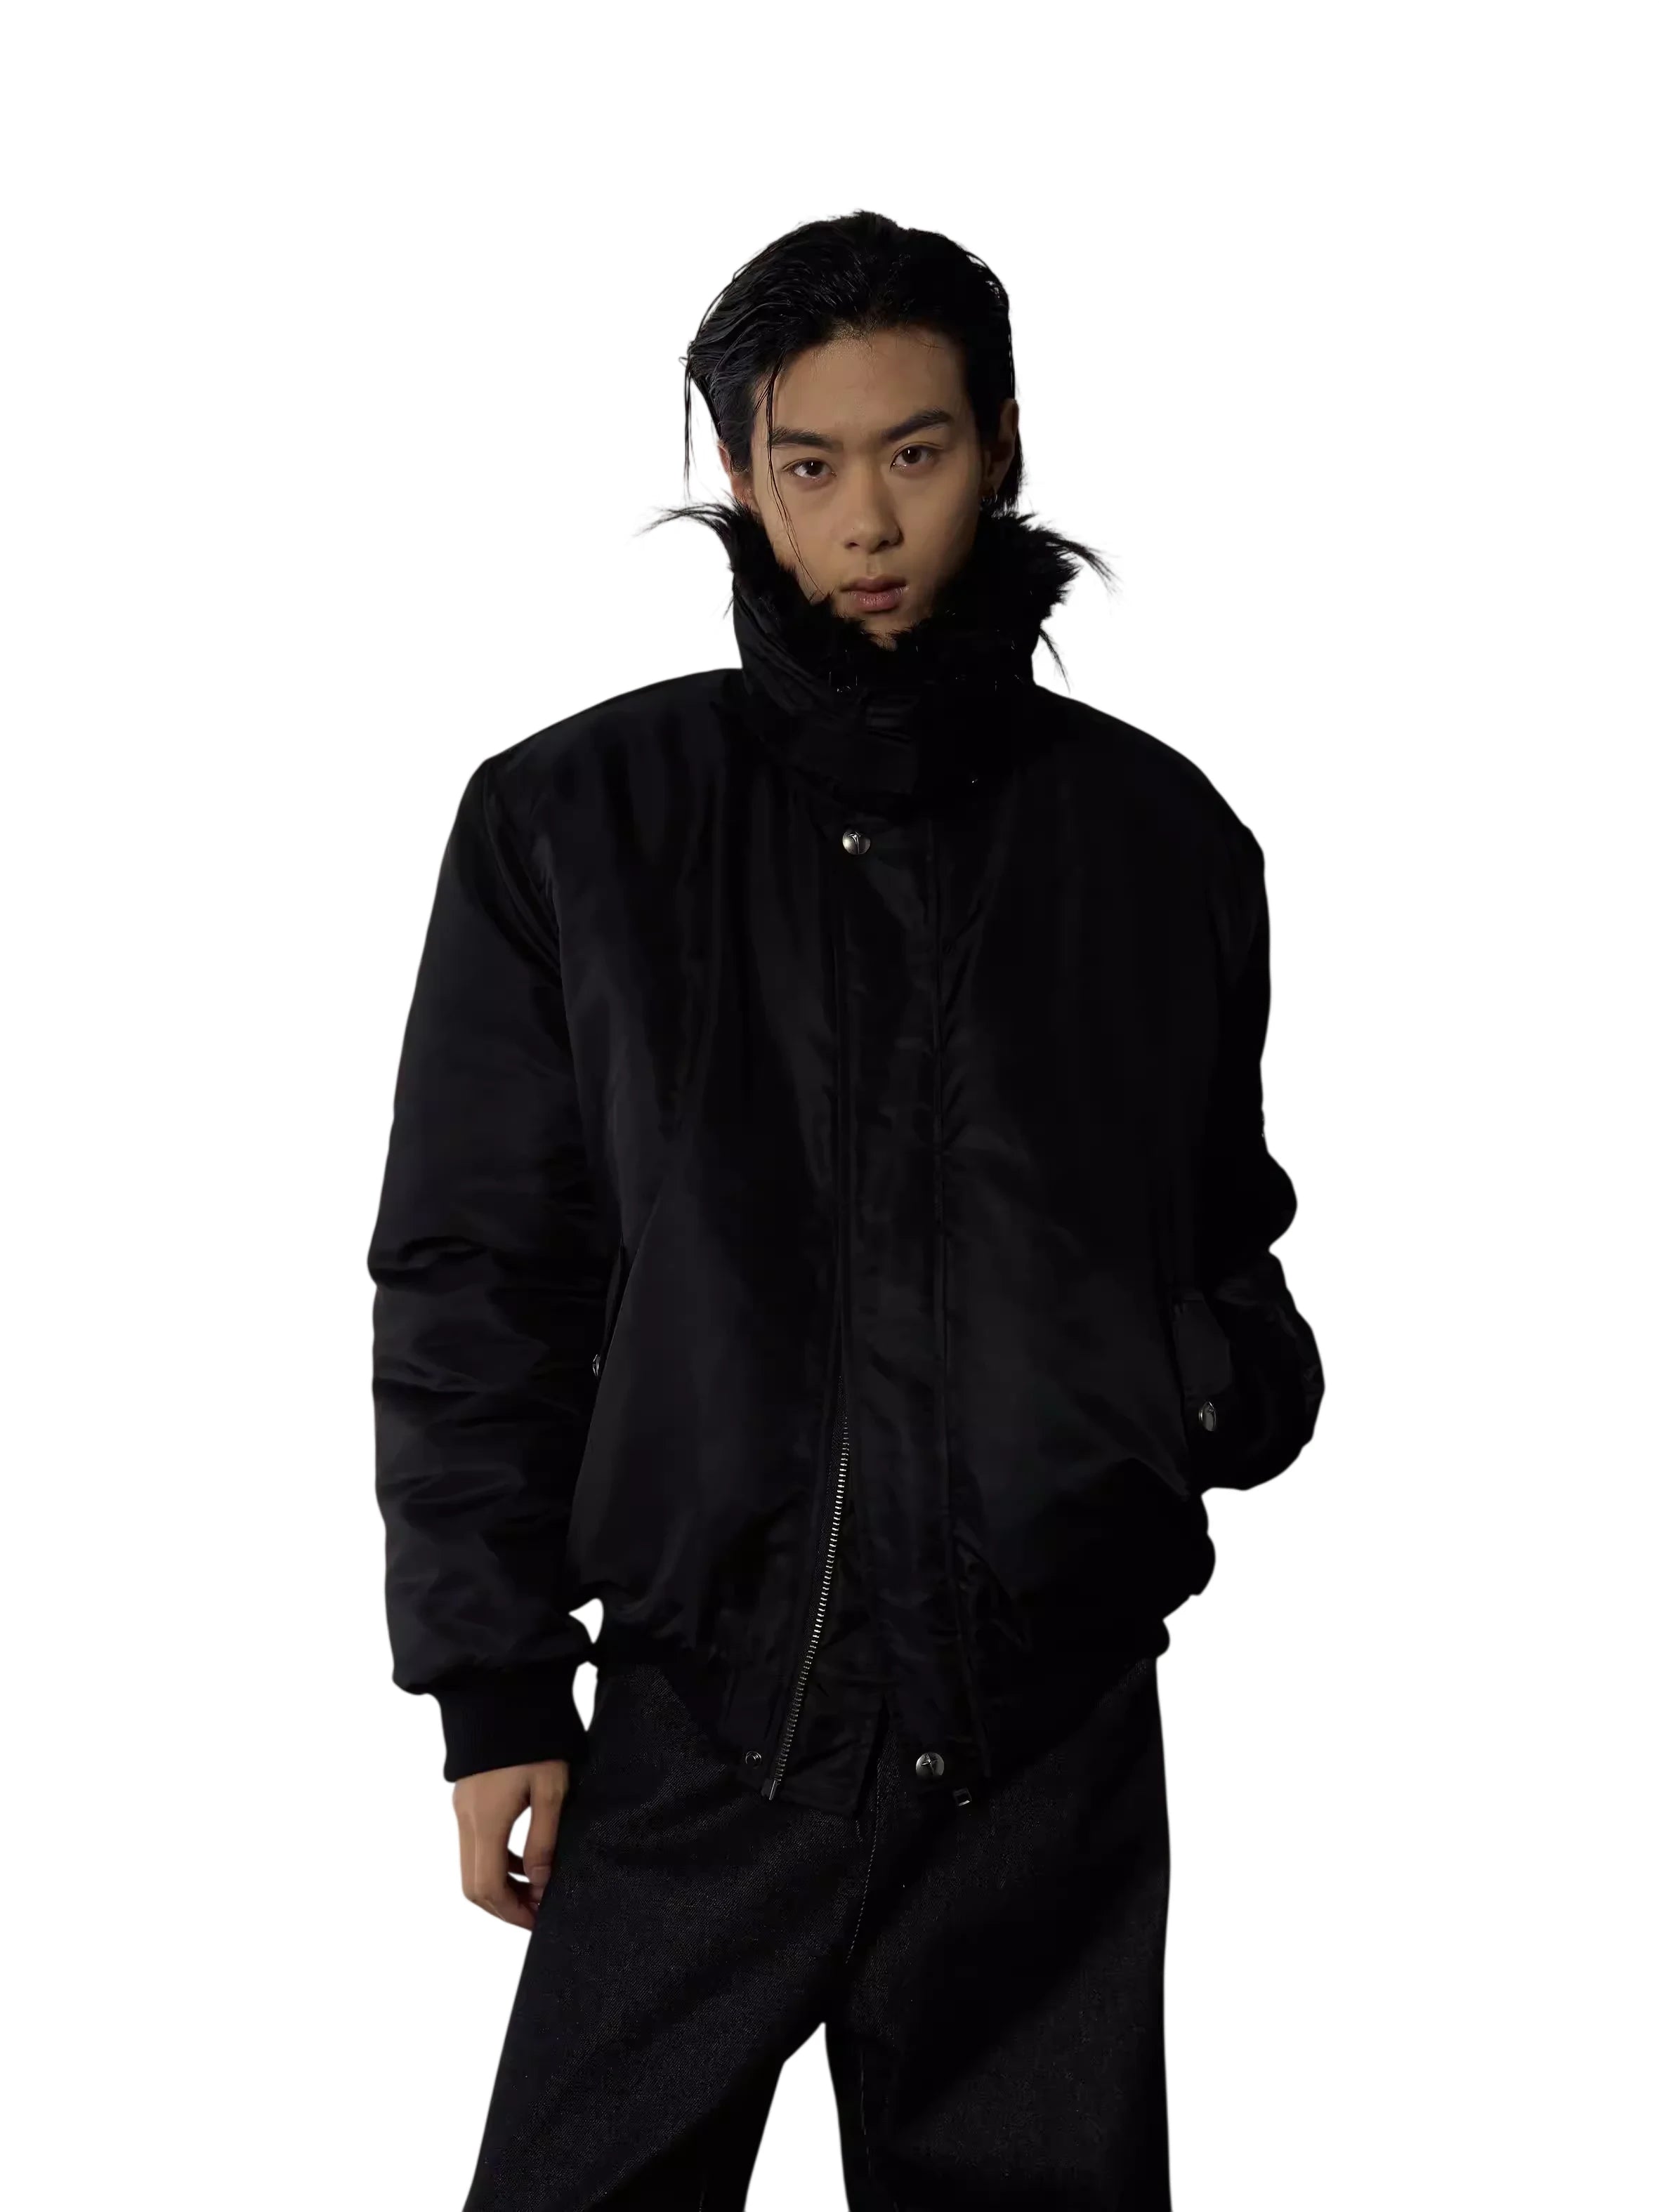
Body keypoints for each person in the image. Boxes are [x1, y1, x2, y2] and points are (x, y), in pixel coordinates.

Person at [367, 208, 1324, 2211]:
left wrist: (1193, 1388)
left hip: (1047, 1729)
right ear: (740, 472)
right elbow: (478, 1277)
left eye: (917, 451)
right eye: (809, 465)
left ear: (1000, 446)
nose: (868, 521)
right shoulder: (574, 823)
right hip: (709, 1721)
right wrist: (494, 1686)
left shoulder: (1157, 839)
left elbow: (1223, 1231)